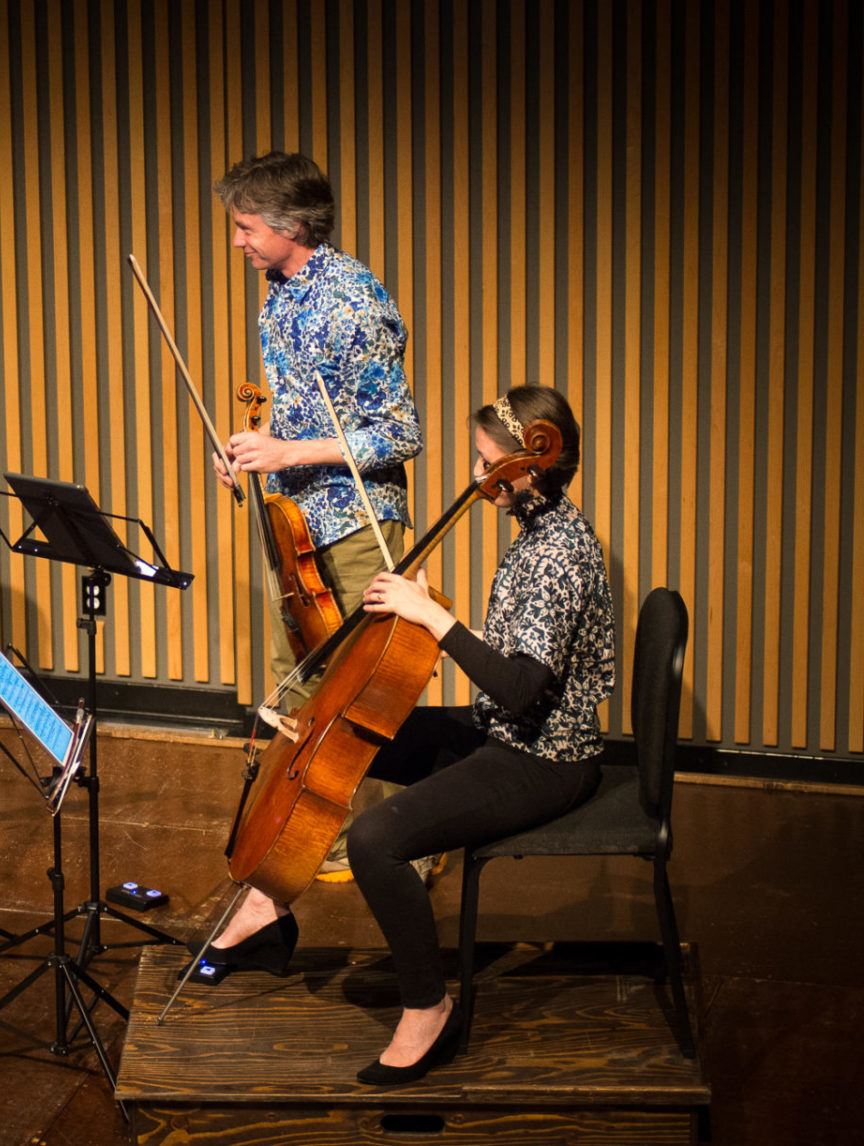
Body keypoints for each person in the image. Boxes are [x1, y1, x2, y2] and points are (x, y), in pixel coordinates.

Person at [215, 385, 614, 1084]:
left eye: (489, 462)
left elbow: (522, 689)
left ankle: (428, 1006)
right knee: (334, 735)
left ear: (532, 464)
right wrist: (423, 611)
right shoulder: (539, 534)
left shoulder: (560, 555)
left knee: (375, 841)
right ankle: (268, 901)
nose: (477, 476)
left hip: (543, 755)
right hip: (506, 729)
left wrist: (429, 616)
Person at [213, 152, 424, 884]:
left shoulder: (352, 304)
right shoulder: (278, 291)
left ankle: (407, 843)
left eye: (245, 227)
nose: (237, 241)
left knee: (362, 695)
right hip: (294, 522)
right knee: (298, 689)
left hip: (356, 525)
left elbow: (400, 433)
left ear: (292, 226)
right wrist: (249, 451)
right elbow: (295, 407)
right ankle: (317, 837)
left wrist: (287, 450)